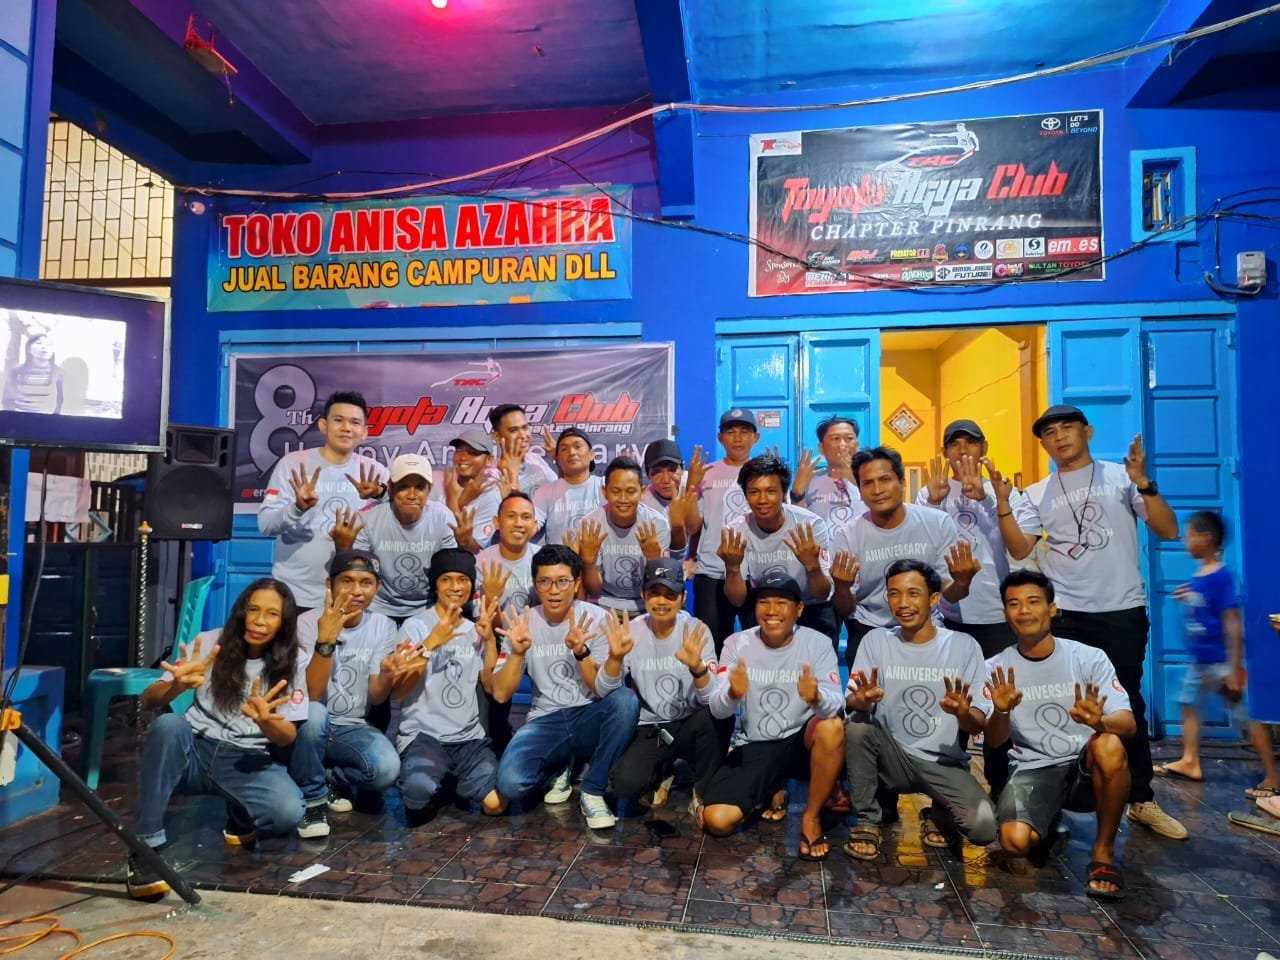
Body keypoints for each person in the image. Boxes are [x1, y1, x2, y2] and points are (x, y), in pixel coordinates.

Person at [1001, 404, 1185, 839]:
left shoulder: (1121, 478)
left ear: (1088, 432)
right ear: (1043, 444)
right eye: (1049, 433)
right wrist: (1003, 505)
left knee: (1126, 705)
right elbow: (1020, 548)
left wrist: (1145, 484)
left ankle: (1140, 799)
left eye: (1067, 428)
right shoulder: (1038, 493)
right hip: (1064, 614)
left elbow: (1169, 530)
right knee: (1062, 706)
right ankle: (1057, 800)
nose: (1059, 437)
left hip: (1120, 609)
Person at [125, 579, 324, 900]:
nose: (259, 621)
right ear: (241, 612)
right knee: (168, 725)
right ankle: (145, 848)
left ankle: (239, 813)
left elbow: (288, 736)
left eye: (272, 614)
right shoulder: (209, 642)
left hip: (245, 759)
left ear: (284, 622)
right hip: (194, 749)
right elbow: (149, 700)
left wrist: (267, 721)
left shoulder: (293, 660)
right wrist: (176, 686)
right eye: (253, 610)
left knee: (288, 811)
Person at [986, 570, 1136, 900]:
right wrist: (1001, 711)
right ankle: (1050, 825)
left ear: (1052, 608)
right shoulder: (995, 667)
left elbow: (1128, 724)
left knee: (1109, 744)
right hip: (1034, 769)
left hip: (1086, 768)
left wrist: (1100, 722)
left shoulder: (1088, 657)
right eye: (1014, 604)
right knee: (1014, 843)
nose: (1024, 610)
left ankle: (1103, 852)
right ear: (1005, 613)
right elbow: (994, 741)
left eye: (1033, 601)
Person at [842, 560, 996, 861]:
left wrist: (962, 713)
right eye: (894, 594)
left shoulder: (963, 646)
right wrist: (862, 700)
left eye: (913, 593)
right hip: (891, 757)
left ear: (934, 599)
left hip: (942, 763)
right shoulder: (876, 641)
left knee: (984, 828)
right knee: (857, 725)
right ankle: (868, 820)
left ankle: (939, 811)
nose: (902, 603)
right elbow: (851, 702)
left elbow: (977, 723)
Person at [917, 419, 1038, 796]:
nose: (963, 450)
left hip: (994, 615)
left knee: (1000, 705)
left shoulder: (1004, 491)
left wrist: (988, 499)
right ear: (945, 452)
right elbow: (919, 549)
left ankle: (1002, 788)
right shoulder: (930, 492)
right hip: (947, 614)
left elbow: (1019, 549)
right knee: (950, 704)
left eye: (970, 442)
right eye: (954, 444)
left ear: (984, 448)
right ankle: (948, 794)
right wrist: (934, 503)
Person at [491, 544, 640, 829]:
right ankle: (559, 765)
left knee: (625, 701)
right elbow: (500, 693)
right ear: (535, 584)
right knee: (510, 784)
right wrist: (517, 653)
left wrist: (582, 652)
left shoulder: (597, 619)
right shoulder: (522, 623)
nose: (554, 591)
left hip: (588, 715)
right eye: (545, 582)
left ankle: (593, 789)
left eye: (562, 581)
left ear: (577, 583)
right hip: (545, 719)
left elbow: (602, 691)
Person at [700, 572, 845, 861]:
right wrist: (732, 694)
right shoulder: (736, 643)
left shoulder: (817, 643)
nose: (772, 611)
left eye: (782, 603)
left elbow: (836, 706)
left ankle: (811, 817)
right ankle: (772, 786)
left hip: (800, 744)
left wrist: (815, 698)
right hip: (755, 744)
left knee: (831, 727)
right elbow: (717, 709)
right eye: (764, 602)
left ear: (799, 609)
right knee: (716, 821)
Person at [1157, 511, 1278, 796]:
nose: (1185, 541)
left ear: (1206, 538)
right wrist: (1189, 595)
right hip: (1200, 661)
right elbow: (1205, 605)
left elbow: (1232, 621)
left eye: (1190, 535)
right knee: (1188, 702)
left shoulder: (1221, 576)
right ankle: (1190, 760)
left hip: (1220, 661)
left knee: (1246, 716)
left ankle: (1272, 775)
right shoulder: (1201, 575)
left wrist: (1234, 668)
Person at [831, 446, 981, 666]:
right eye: (868, 483)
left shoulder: (937, 523)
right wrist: (842, 587)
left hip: (927, 629)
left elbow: (950, 594)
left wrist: (962, 582)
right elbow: (844, 609)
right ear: (860, 492)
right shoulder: (847, 535)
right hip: (869, 630)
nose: (877, 490)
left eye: (885, 479)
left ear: (902, 483)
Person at [596, 558, 721, 809]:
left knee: (718, 715)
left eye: (670, 594)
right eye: (654, 593)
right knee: (624, 786)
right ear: (643, 595)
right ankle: (663, 769)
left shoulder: (697, 631)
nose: (661, 601)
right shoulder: (631, 631)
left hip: (691, 723)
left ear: (683, 598)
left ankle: (702, 789)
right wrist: (615, 659)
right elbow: (603, 691)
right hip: (652, 727)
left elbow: (712, 699)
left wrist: (698, 670)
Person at [393, 549, 506, 818]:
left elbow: (489, 684)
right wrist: (431, 642)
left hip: (468, 738)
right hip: (423, 737)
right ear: (435, 585)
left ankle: (453, 776)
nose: (456, 587)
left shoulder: (475, 628)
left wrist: (489, 640)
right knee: (417, 798)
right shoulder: (414, 626)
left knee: (496, 805)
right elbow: (399, 691)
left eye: (463, 580)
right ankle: (441, 778)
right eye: (446, 579)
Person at [258, 391, 388, 611]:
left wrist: (380, 494)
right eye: (338, 420)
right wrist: (297, 508)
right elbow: (266, 525)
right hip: (295, 593)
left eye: (355, 422)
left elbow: (402, 516)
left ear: (365, 432)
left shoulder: (375, 472)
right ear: (323, 426)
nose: (346, 428)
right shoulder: (292, 465)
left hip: (352, 596)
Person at [297, 550, 401, 812]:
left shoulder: (384, 625)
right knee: (315, 714)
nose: (356, 591)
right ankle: (313, 793)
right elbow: (312, 693)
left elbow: (376, 697)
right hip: (308, 726)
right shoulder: (306, 623)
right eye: (347, 581)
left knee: (386, 771)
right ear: (329, 585)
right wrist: (326, 639)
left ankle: (331, 776)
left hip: (352, 727)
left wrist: (387, 675)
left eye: (366, 583)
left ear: (377, 588)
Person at [719, 454, 835, 642]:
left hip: (810, 605)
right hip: (766, 607)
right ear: (745, 495)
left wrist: (812, 566)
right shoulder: (736, 531)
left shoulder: (811, 525)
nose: (762, 499)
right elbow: (737, 600)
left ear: (784, 493)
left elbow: (822, 594)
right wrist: (732, 567)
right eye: (754, 492)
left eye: (771, 491)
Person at [333, 454, 458, 621]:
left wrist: (463, 547)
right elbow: (356, 575)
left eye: (420, 487)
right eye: (403, 487)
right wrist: (343, 550)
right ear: (391, 488)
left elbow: (450, 572)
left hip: (428, 606)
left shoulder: (442, 517)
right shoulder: (368, 519)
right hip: (379, 607)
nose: (412, 495)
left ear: (429, 489)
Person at [690, 408, 760, 653]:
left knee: (758, 647)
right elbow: (693, 526)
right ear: (720, 438)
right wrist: (691, 487)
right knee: (712, 647)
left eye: (745, 431)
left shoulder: (764, 473)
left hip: (754, 573)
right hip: (712, 572)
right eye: (731, 432)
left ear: (756, 437)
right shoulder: (705, 474)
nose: (738, 438)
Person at [577, 456, 672, 614]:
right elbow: (594, 591)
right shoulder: (590, 525)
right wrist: (588, 562)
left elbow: (662, 584)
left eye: (630, 492)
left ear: (642, 492)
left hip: (646, 605)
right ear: (605, 492)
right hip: (603, 605)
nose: (623, 499)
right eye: (616, 491)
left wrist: (654, 561)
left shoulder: (658, 524)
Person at [531, 427, 604, 545]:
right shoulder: (545, 492)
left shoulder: (605, 486)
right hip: (559, 556)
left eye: (577, 446)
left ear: (592, 455)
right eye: (564, 449)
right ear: (557, 459)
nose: (572, 452)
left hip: (599, 557)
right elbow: (530, 527)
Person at [790, 416, 866, 528]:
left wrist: (856, 479)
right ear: (821, 448)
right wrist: (797, 494)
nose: (843, 445)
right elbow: (797, 523)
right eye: (836, 439)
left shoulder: (871, 481)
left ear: (857, 445)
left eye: (849, 438)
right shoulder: (810, 485)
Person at [438, 428, 504, 553]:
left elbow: (476, 549)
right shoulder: (441, 482)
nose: (463, 457)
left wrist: (453, 502)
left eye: (473, 453)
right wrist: (462, 500)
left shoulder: (490, 495)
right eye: (459, 451)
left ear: (489, 460)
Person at [641, 438, 698, 553]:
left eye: (672, 470)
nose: (666, 480)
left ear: (682, 469)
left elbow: (694, 529)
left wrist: (691, 488)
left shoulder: (695, 483)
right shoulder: (644, 504)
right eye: (657, 472)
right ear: (647, 474)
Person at [488, 403, 556, 497]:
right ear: (497, 436)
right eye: (513, 430)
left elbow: (560, 491)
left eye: (525, 428)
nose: (523, 435)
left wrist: (560, 460)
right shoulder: (492, 476)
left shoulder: (534, 458)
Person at [1, 330, 63, 413]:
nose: (44, 347)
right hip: (18, 416)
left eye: (49, 345)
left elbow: (60, 401)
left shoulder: (58, 373)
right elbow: (7, 399)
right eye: (39, 343)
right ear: (29, 349)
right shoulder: (16, 371)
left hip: (45, 418)